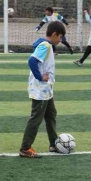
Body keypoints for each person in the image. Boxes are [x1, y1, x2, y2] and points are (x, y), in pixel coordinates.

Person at [21, 21, 66, 158]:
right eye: (60, 37)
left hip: (46, 90)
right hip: (40, 90)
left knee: (51, 114)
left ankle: (54, 144)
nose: (61, 40)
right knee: (36, 119)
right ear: (54, 34)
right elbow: (31, 61)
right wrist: (40, 76)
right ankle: (25, 148)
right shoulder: (46, 46)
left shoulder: (47, 46)